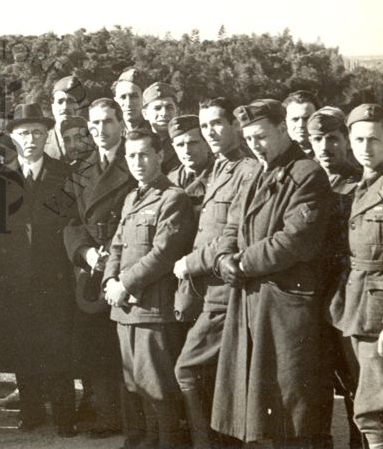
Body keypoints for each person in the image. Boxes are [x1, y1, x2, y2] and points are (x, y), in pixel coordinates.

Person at [212, 99, 332, 447]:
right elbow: (231, 225)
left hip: (285, 306)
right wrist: (222, 258)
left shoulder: (306, 173)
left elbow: (294, 240)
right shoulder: (255, 172)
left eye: (261, 136)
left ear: (283, 129)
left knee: (293, 408)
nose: (255, 145)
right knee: (261, 408)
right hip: (252, 301)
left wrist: (241, 263)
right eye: (249, 138)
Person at [0, 103, 78, 437]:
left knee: (57, 345)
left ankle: (65, 415)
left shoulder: (64, 174)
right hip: (15, 278)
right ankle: (31, 412)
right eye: (24, 134)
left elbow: (70, 223)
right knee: (23, 346)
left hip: (55, 276)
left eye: (38, 133)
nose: (31, 140)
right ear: (12, 137)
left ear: (47, 135)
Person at [172, 97, 258, 449]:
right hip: (209, 290)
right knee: (219, 378)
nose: (210, 132)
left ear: (236, 125)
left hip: (226, 291)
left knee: (187, 370)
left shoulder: (247, 170)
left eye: (217, 123)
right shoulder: (221, 166)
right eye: (205, 125)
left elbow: (233, 236)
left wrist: (190, 263)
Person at [103, 127, 194, 448]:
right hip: (125, 309)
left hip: (153, 309)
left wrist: (124, 283)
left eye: (144, 154)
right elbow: (117, 246)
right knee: (136, 385)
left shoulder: (174, 198)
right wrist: (110, 281)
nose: (138, 162)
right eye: (131, 156)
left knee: (159, 388)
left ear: (159, 155)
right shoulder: (132, 198)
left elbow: (163, 252)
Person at [65, 98, 134, 438]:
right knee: (97, 342)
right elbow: (69, 221)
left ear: (121, 124)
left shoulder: (135, 159)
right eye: (94, 124)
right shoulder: (80, 170)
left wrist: (118, 254)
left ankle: (135, 418)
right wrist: (87, 253)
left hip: (129, 262)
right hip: (93, 267)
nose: (101, 130)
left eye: (108, 121)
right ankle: (107, 413)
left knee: (128, 344)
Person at [332, 104, 383, 449]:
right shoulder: (361, 184)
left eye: (373, 139)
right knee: (374, 410)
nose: (365, 148)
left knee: (377, 414)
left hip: (382, 318)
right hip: (357, 311)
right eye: (357, 139)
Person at [307, 107, 362, 449]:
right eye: (317, 140)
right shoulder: (307, 180)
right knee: (318, 379)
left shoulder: (361, 182)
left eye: (333, 139)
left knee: (355, 380)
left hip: (348, 294)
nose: (325, 147)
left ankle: (359, 442)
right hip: (312, 293)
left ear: (345, 141)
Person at [166, 115, 213, 213]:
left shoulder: (220, 174)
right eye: (180, 145)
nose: (186, 150)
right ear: (174, 147)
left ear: (206, 142)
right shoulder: (170, 179)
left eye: (192, 143)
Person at [140, 82, 180, 174]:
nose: (164, 113)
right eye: (157, 108)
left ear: (177, 112)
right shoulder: (139, 143)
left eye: (169, 108)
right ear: (145, 114)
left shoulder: (185, 142)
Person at [44, 76, 84, 160]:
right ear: (53, 107)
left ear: (78, 107)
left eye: (71, 101)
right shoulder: (42, 141)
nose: (65, 107)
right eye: (60, 102)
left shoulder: (91, 138)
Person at [282, 90, 319, 159]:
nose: (301, 125)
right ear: (284, 122)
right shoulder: (277, 155)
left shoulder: (329, 156)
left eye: (307, 119)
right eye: (295, 119)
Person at [112, 68, 146, 134]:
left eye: (134, 97)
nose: (128, 103)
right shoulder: (114, 136)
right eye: (123, 97)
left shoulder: (155, 133)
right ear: (116, 101)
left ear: (144, 99)